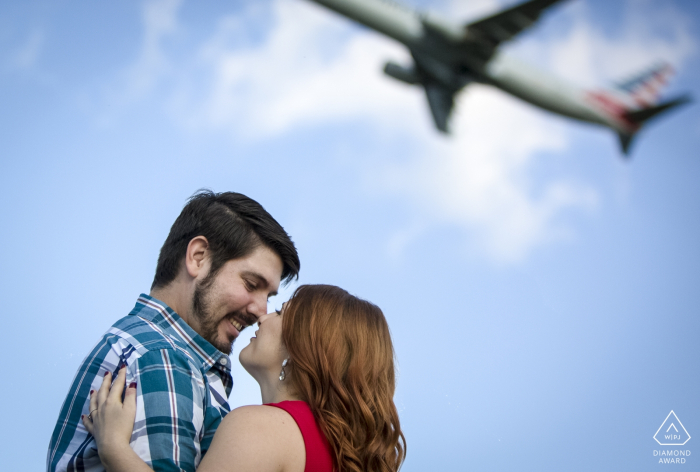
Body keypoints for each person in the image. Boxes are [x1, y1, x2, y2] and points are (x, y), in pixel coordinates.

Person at [47, 190, 300, 472]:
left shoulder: (147, 348)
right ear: (198, 257)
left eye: (269, 297)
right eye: (251, 285)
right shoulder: (164, 359)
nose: (260, 311)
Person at [83, 284, 406, 472]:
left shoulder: (262, 427)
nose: (262, 316)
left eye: (281, 313)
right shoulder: (338, 449)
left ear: (304, 345)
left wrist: (113, 448)